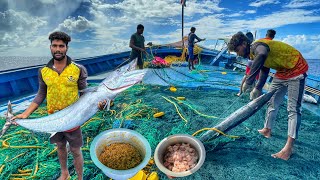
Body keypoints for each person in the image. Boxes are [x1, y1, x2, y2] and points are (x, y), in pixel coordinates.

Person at [12, 31, 88, 180]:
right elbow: (41, 94)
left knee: (75, 150)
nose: (58, 49)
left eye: (61, 46)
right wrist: (25, 114)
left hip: (73, 119)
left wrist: (97, 104)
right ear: (50, 47)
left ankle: (80, 177)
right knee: (60, 147)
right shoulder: (43, 71)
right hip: (53, 119)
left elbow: (85, 94)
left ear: (66, 48)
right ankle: (64, 173)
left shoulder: (78, 69)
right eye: (55, 46)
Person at [228, 32, 308, 160]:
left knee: (293, 109)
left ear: (244, 43)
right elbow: (264, 69)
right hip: (282, 71)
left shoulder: (256, 46)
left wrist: (249, 81)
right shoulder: (254, 54)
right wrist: (258, 88)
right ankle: (267, 129)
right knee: (271, 102)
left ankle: (288, 148)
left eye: (237, 50)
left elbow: (263, 54)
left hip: (296, 69)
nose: (238, 53)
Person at [237, 32, 258, 96]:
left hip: (250, 62)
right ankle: (252, 94)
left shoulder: (245, 45)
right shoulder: (254, 45)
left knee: (246, 76)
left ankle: (240, 92)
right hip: (255, 63)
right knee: (256, 79)